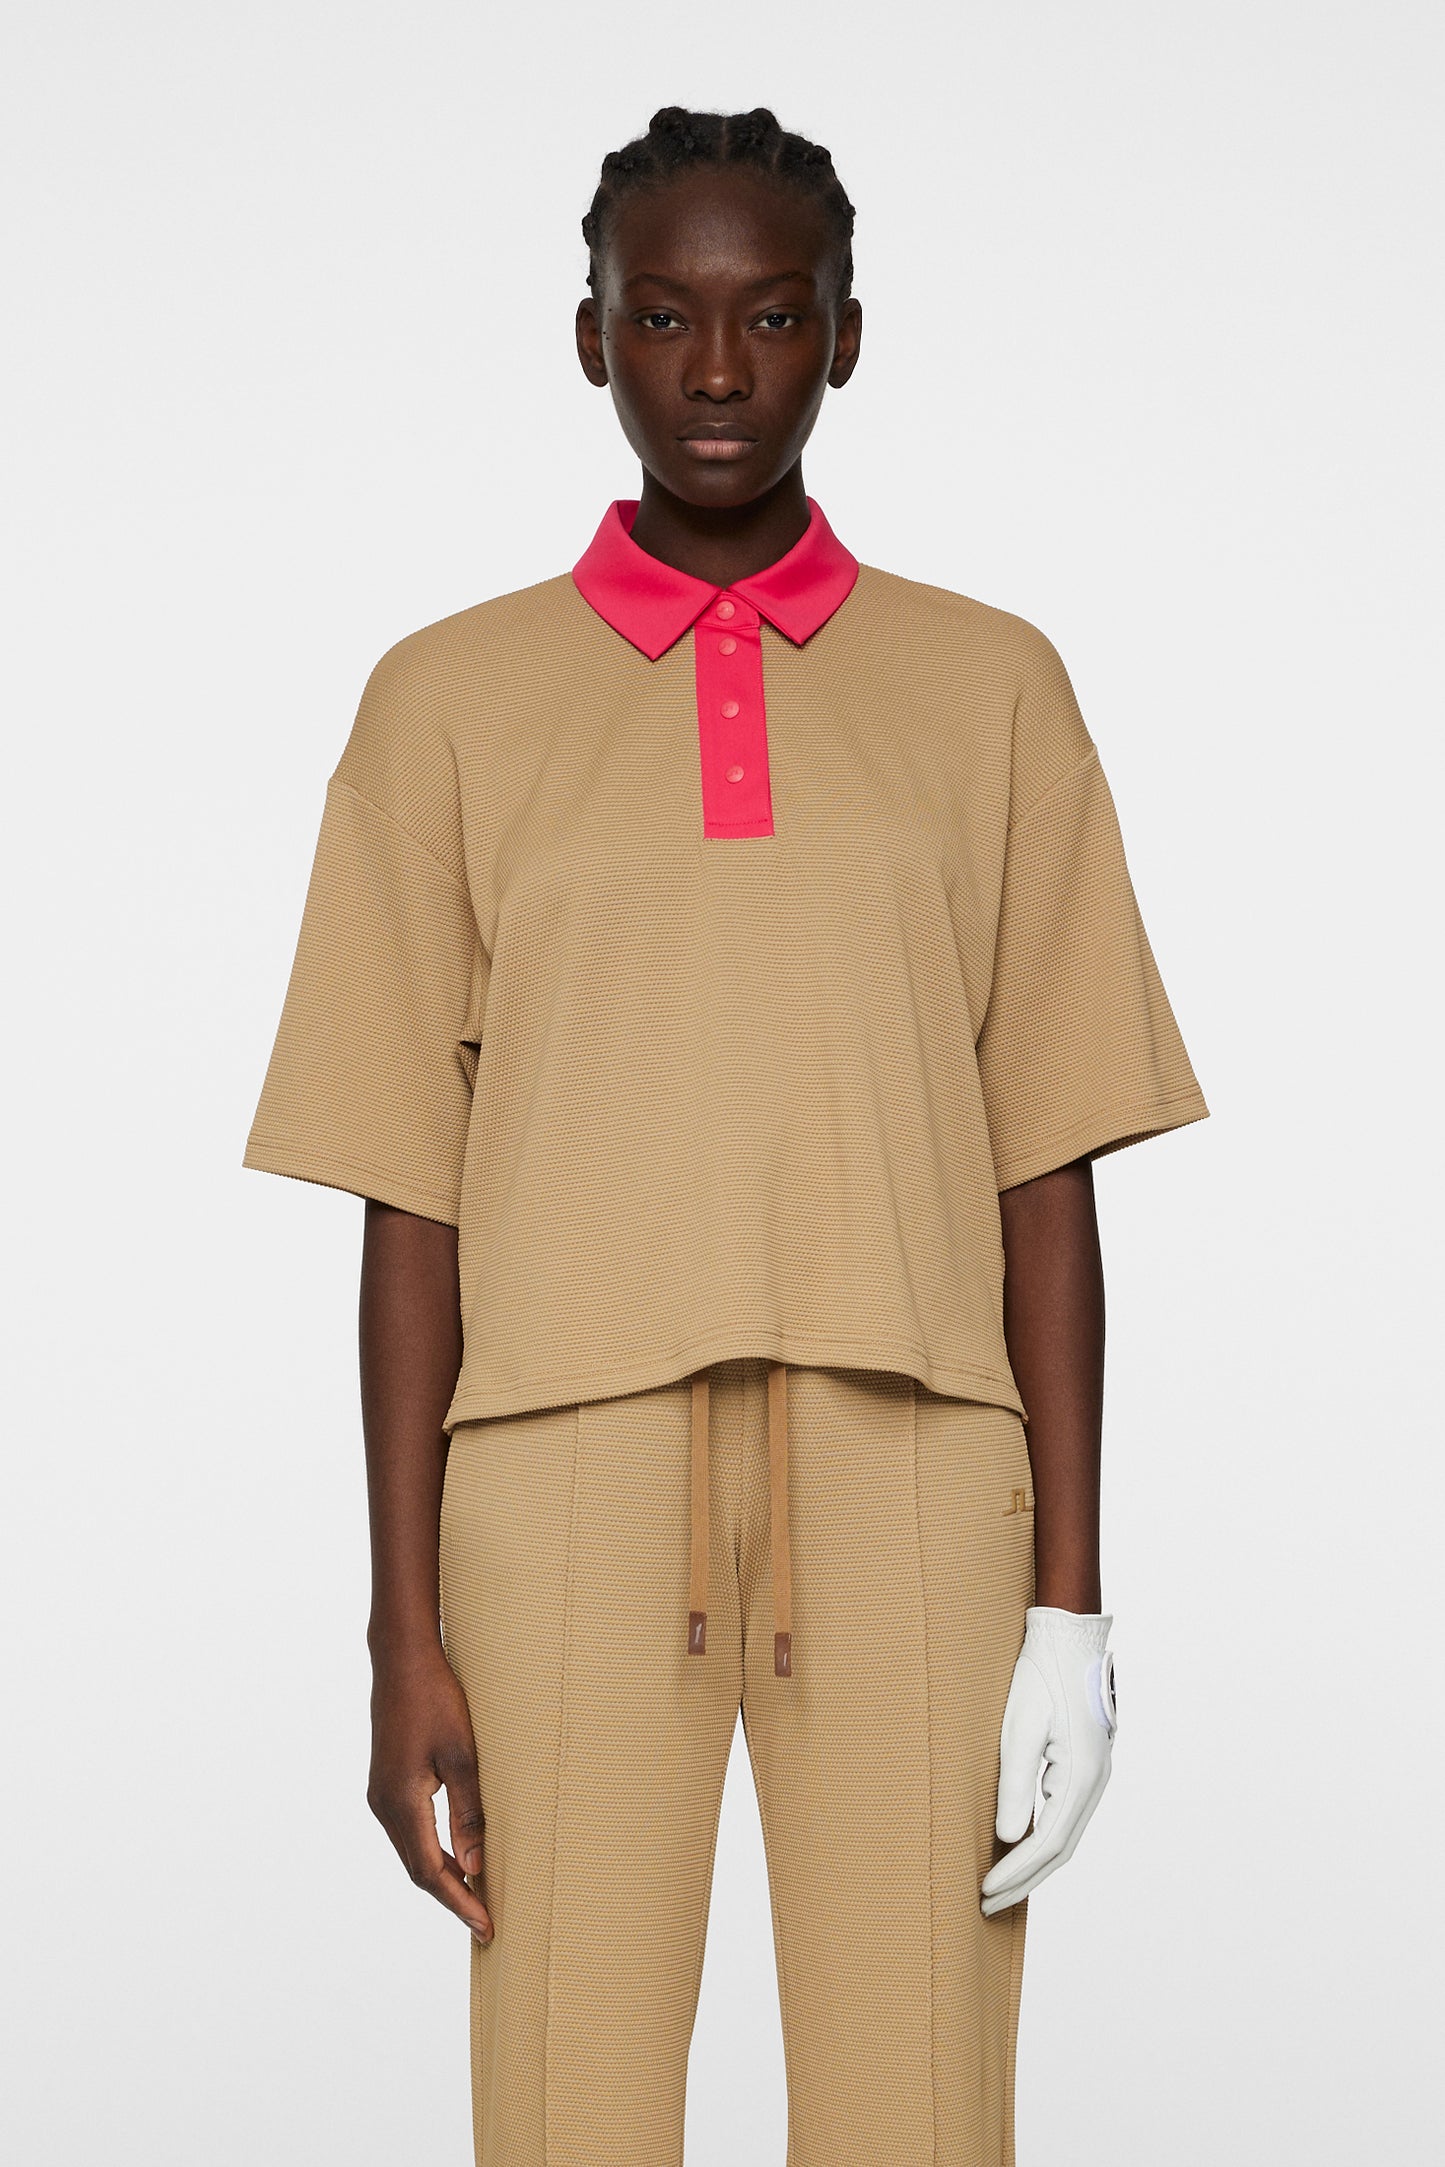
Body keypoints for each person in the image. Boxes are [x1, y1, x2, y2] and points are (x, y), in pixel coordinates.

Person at [243, 104, 1208, 2167]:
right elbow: (408, 1191)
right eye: (662, 316)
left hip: (914, 1460)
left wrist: (1072, 1609)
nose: (713, 370)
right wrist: (402, 1630)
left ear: (844, 337)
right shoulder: (444, 701)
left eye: (770, 316)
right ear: (588, 335)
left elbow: (1048, 1162)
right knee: (566, 2112)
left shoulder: (990, 688)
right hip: (562, 1467)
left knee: (919, 2113)